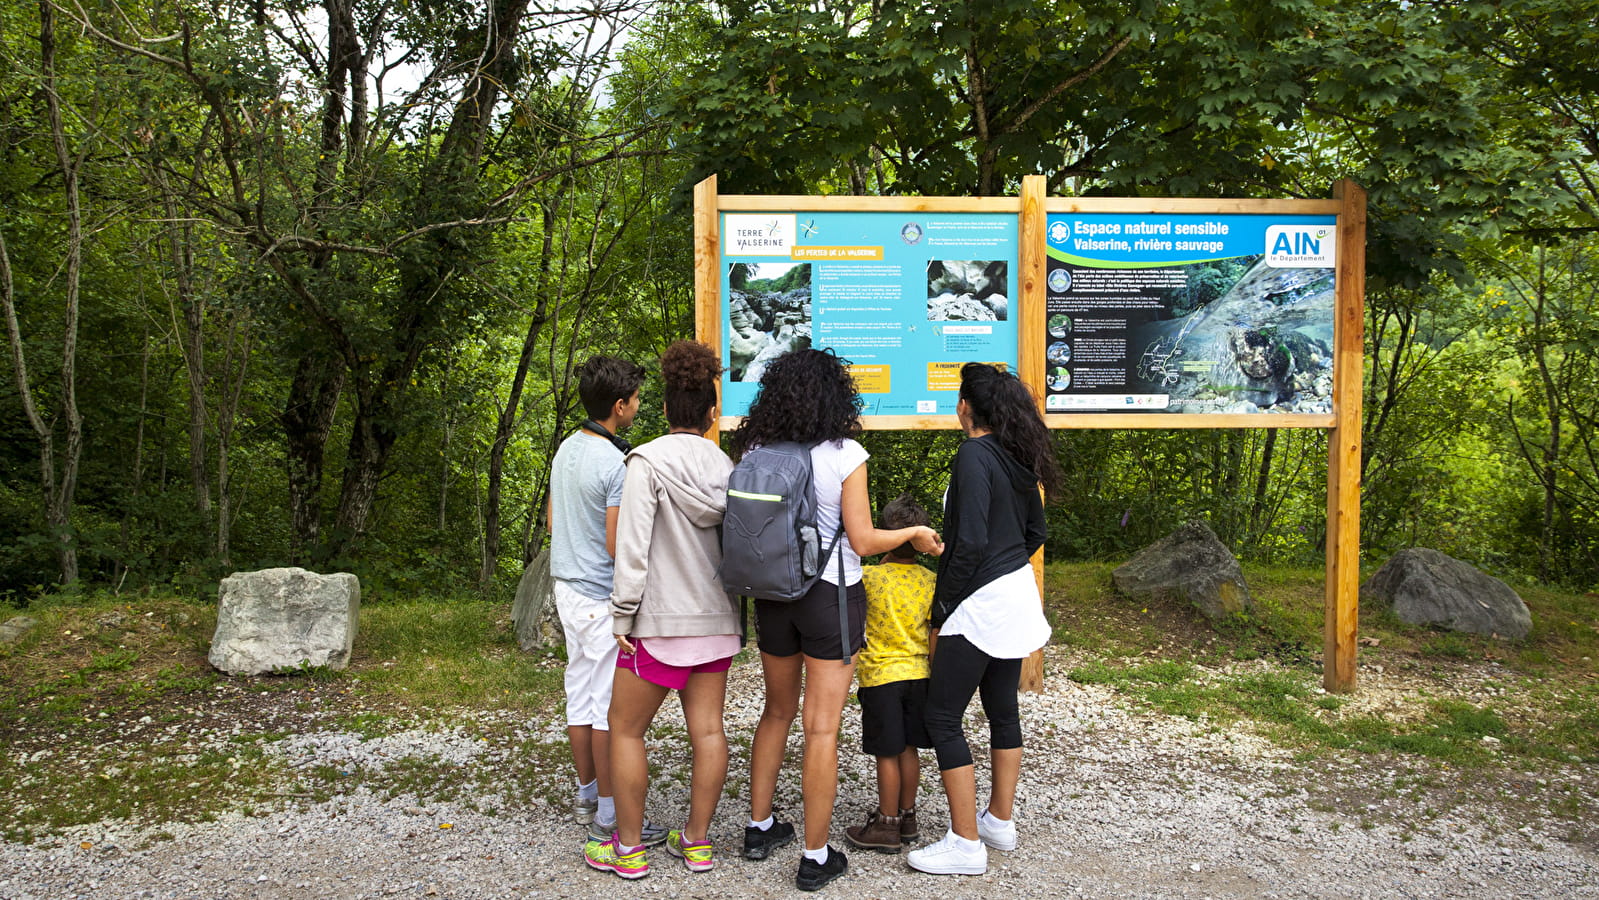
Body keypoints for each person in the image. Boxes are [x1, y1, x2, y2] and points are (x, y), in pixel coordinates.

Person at [732, 348, 943, 892]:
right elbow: (865, 540)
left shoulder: (757, 447)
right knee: (821, 727)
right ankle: (815, 855)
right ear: (835, 396)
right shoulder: (846, 453)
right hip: (830, 597)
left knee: (775, 712)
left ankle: (759, 829)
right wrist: (913, 536)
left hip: (773, 596)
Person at [583, 341, 739, 880]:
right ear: (712, 413)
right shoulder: (728, 468)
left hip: (659, 626)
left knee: (625, 731)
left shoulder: (644, 461)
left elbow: (632, 548)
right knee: (710, 732)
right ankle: (696, 842)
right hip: (717, 625)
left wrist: (622, 614)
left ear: (667, 410)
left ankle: (628, 850)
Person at [907, 362, 1063, 877]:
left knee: (942, 717)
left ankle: (966, 843)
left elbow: (970, 543)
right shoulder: (1018, 454)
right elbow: (1035, 531)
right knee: (1001, 710)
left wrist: (942, 607)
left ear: (966, 407)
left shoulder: (974, 454)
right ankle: (997, 820)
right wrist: (1004, 562)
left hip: (979, 603)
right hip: (1015, 594)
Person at [547, 354, 664, 846]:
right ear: (619, 406)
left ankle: (587, 794)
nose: (638, 406)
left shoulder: (566, 449)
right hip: (598, 594)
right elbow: (619, 545)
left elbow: (554, 524)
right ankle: (611, 815)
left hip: (566, 587)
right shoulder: (616, 463)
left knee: (580, 694)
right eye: (636, 400)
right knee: (606, 708)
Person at [844, 494, 936, 855]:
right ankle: (908, 816)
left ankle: (886, 823)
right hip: (919, 675)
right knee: (909, 748)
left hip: (881, 677)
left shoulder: (868, 578)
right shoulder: (930, 581)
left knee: (887, 752)